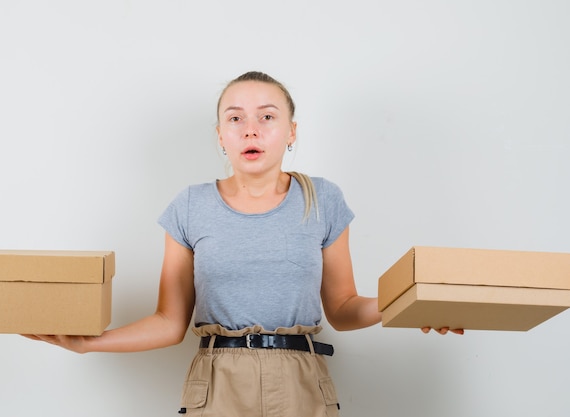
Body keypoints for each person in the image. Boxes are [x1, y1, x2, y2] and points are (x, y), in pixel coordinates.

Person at [25, 71, 462, 416]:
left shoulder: (323, 199)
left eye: (267, 117)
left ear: (291, 131)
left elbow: (344, 308)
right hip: (217, 384)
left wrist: (412, 304)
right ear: (220, 134)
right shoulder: (190, 205)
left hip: (301, 383)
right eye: (235, 118)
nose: (250, 130)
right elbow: (168, 321)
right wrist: (89, 344)